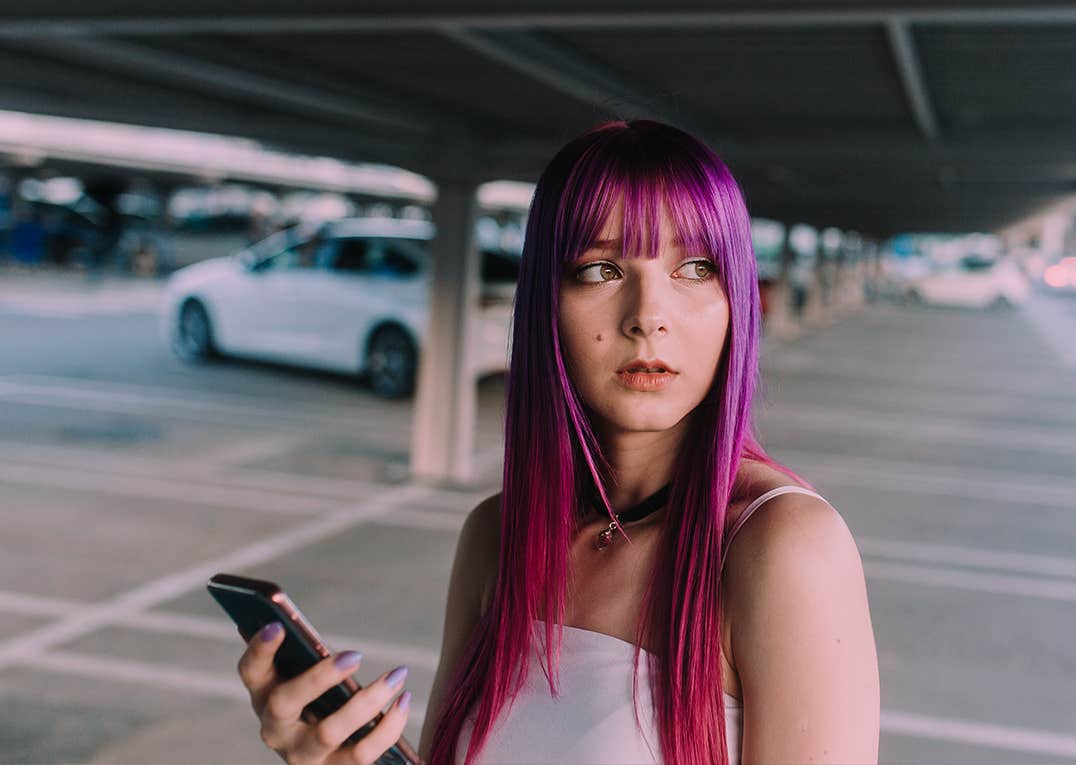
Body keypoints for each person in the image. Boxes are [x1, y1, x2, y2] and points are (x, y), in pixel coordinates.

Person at [235, 120, 880, 765]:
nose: (647, 315)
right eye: (600, 269)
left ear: (735, 298)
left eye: (695, 267)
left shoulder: (781, 546)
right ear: (547, 301)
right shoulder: (497, 535)